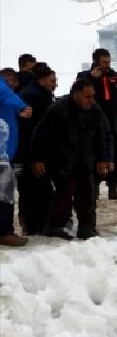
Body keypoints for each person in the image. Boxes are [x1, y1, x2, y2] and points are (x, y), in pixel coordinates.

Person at [30, 78, 111, 240]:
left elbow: (103, 135)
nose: (91, 100)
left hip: (84, 158)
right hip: (60, 160)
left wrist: (104, 158)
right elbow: (39, 135)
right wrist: (37, 159)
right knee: (65, 192)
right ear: (76, 95)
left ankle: (86, 228)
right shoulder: (58, 109)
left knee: (87, 192)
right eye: (87, 96)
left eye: (92, 96)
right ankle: (54, 226)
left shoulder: (94, 109)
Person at [76, 48, 117, 201]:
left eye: (108, 62)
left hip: (115, 125)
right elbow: (78, 97)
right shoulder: (84, 78)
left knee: (116, 157)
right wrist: (92, 78)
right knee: (94, 157)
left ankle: (113, 187)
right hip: (93, 127)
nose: (107, 65)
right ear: (96, 62)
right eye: (104, 62)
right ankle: (94, 187)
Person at [16, 63, 56, 236]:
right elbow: (34, 131)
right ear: (42, 80)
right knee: (36, 191)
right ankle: (36, 227)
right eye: (52, 80)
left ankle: (36, 225)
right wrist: (36, 158)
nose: (55, 84)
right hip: (31, 155)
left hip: (31, 154)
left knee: (34, 190)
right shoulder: (35, 97)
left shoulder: (37, 94)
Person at [0, 76, 33, 247]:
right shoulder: (3, 88)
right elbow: (6, 95)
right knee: (5, 195)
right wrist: (23, 106)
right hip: (2, 155)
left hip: (7, 152)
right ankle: (5, 232)